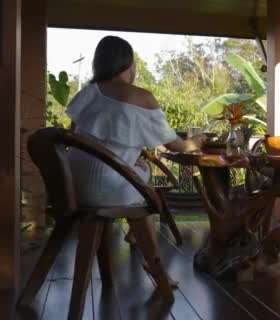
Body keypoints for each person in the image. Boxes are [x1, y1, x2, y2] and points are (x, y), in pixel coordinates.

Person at [65, 36, 197, 284]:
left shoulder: (87, 93)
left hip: (71, 183)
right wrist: (195, 143)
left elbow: (76, 137)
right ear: (129, 64)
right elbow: (174, 144)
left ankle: (140, 246)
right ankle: (156, 268)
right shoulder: (141, 96)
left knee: (139, 176)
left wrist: (122, 161)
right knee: (144, 188)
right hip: (106, 185)